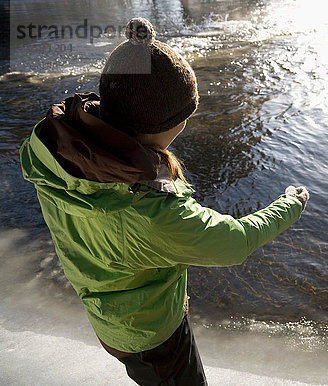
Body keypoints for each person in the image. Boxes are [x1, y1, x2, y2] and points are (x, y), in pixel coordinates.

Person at [19, 18, 309, 385]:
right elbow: (233, 243)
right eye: (183, 117)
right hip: (151, 338)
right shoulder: (151, 211)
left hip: (108, 312)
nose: (185, 124)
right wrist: (291, 203)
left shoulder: (52, 149)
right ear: (166, 123)